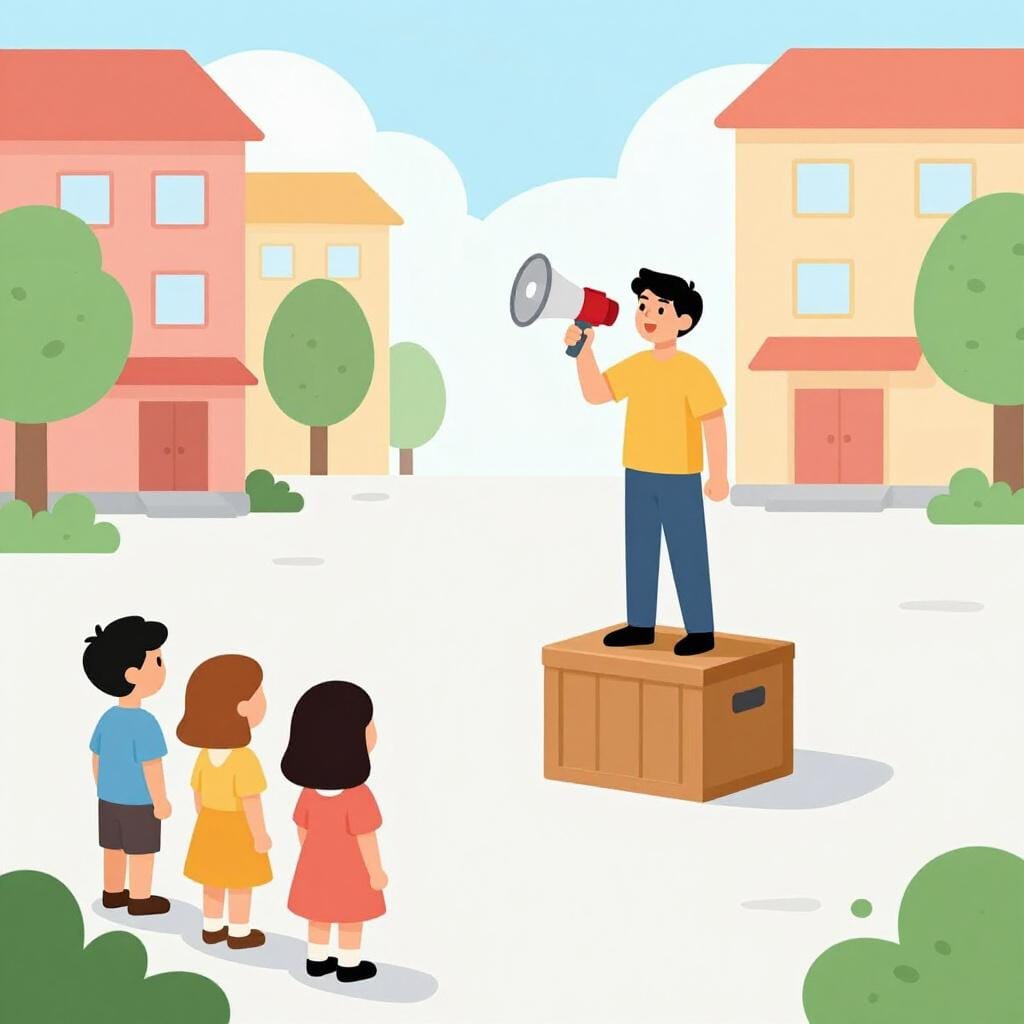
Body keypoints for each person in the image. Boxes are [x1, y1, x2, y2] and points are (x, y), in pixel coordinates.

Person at [564, 268, 729, 655]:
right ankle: (640, 624)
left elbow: (713, 420)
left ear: (684, 321)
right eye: (643, 306)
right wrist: (584, 352)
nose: (647, 315)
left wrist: (719, 475)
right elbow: (596, 393)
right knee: (639, 549)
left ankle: (700, 630)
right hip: (638, 473)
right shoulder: (637, 365)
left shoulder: (694, 371)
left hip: (680, 477)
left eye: (659, 307)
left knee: (687, 551)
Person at [281, 681, 388, 983]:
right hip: (351, 869)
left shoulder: (309, 793)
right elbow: (367, 837)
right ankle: (349, 964)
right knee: (350, 916)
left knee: (319, 913)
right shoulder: (358, 795)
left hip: (314, 865)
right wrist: (376, 871)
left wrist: (313, 854)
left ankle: (316, 959)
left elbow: (302, 829)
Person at [177, 655, 272, 950]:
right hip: (238, 827)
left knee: (212, 879)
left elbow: (198, 794)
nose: (264, 701)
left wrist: (205, 820)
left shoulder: (204, 754)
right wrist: (260, 835)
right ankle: (239, 932)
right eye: (260, 694)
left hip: (209, 824)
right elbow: (251, 801)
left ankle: (212, 927)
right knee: (240, 882)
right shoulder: (244, 759)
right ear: (242, 707)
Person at [84, 616, 172, 915]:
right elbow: (152, 766)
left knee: (113, 848)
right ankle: (140, 899)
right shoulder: (145, 723)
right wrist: (160, 801)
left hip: (108, 800)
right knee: (142, 851)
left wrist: (103, 787)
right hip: (139, 802)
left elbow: (96, 758)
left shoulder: (107, 718)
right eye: (157, 662)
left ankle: (112, 892)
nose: (163, 668)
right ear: (133, 674)